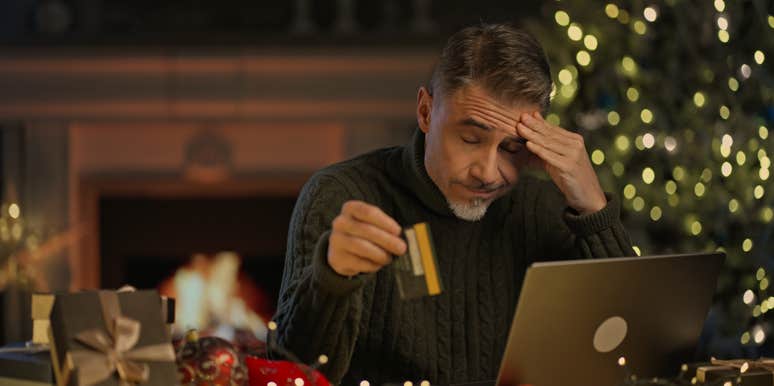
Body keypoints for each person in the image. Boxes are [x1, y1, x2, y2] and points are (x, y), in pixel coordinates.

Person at [274, 23, 635, 385]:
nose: (488, 174)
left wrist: (594, 210)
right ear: (425, 111)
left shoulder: (543, 208)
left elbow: (634, 353)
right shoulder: (341, 195)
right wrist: (331, 279)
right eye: (470, 139)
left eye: (512, 148)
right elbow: (291, 370)